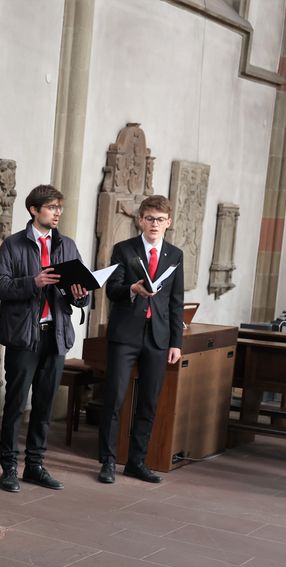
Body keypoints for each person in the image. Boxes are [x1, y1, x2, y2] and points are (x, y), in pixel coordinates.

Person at [0, 184, 90, 493]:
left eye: (59, 207)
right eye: (51, 207)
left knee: (44, 405)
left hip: (56, 336)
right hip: (24, 337)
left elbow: (82, 296)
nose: (57, 212)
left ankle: (35, 466)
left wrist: (81, 295)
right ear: (34, 210)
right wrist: (33, 283)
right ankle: (8, 467)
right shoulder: (13, 245)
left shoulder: (68, 246)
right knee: (16, 404)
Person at [97, 194, 185, 484]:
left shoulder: (175, 254)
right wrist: (133, 289)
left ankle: (137, 461)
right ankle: (108, 462)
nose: (154, 224)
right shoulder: (124, 249)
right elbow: (112, 290)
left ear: (168, 222)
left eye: (160, 219)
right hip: (126, 334)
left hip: (158, 338)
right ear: (140, 220)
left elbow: (176, 300)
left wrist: (176, 342)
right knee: (115, 398)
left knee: (149, 401)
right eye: (149, 218)